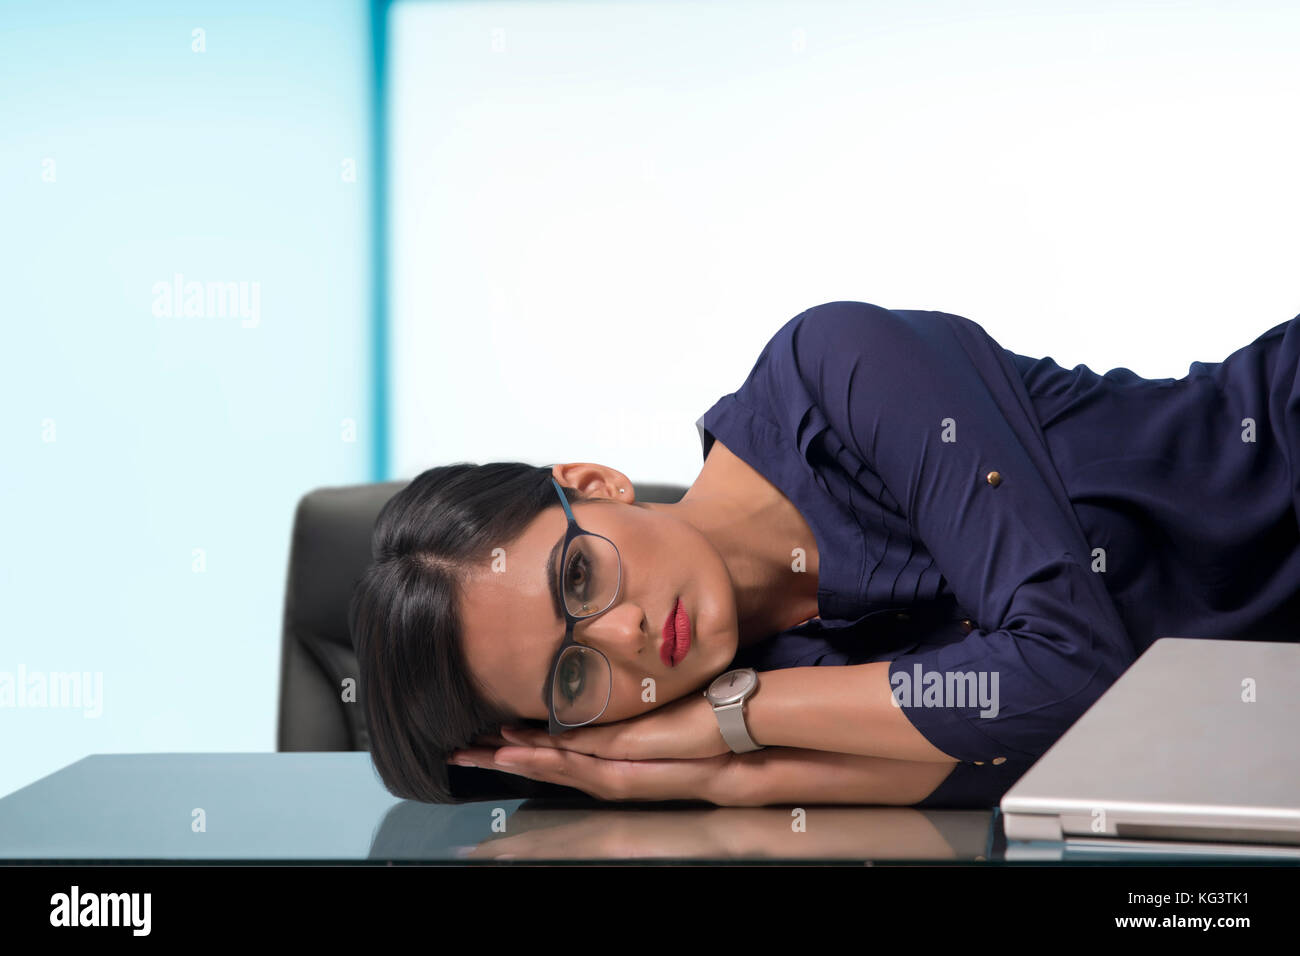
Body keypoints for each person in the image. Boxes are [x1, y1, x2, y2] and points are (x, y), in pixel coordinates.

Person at [349, 300, 1300, 807]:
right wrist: (718, 764)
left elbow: (1069, 672)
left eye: (579, 577)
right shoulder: (760, 690)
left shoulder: (835, 375)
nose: (628, 633)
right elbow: (1036, 765)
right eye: (571, 676)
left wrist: (733, 725)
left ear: (595, 485)